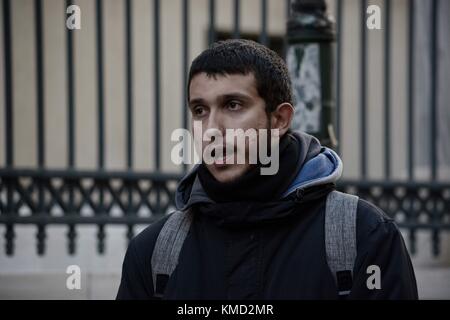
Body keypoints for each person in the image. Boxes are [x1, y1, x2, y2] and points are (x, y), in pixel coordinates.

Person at [116, 39, 418, 300]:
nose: (211, 130)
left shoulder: (365, 236)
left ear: (279, 119)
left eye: (233, 105)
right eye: (200, 110)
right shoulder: (154, 252)